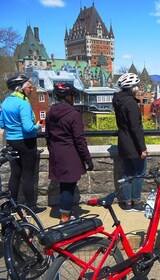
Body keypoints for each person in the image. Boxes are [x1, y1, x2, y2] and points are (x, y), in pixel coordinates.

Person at [45, 83, 93, 223]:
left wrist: (53, 150)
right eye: (73, 96)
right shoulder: (73, 114)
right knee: (68, 187)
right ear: (68, 97)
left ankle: (65, 214)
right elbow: (79, 140)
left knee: (63, 185)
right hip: (70, 154)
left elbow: (48, 136)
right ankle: (65, 218)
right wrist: (88, 160)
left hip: (56, 153)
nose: (74, 98)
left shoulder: (50, 113)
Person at [0, 74, 46, 214]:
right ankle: (31, 207)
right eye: (28, 86)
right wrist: (37, 126)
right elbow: (27, 128)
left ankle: (12, 206)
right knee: (27, 175)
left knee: (15, 174)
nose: (31, 89)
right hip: (26, 142)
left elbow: (2, 123)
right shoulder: (23, 103)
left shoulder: (5, 102)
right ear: (19, 88)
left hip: (12, 141)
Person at [113, 73, 148, 212]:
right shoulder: (131, 104)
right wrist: (142, 148)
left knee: (127, 173)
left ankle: (127, 203)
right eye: (137, 86)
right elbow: (136, 128)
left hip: (123, 141)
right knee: (140, 172)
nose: (138, 89)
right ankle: (136, 201)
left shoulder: (118, 100)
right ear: (132, 88)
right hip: (133, 144)